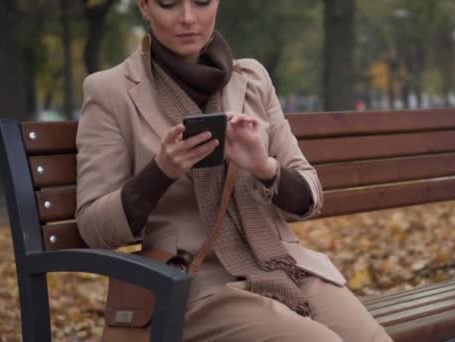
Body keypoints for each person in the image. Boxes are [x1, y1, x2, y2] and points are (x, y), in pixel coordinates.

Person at [76, 0, 393, 341]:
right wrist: (160, 172)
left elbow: (310, 196)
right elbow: (93, 227)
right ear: (144, 6)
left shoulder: (252, 79)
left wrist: (264, 167)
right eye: (168, 3)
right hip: (193, 286)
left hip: (281, 266)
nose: (187, 18)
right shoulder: (109, 91)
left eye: (201, 2)